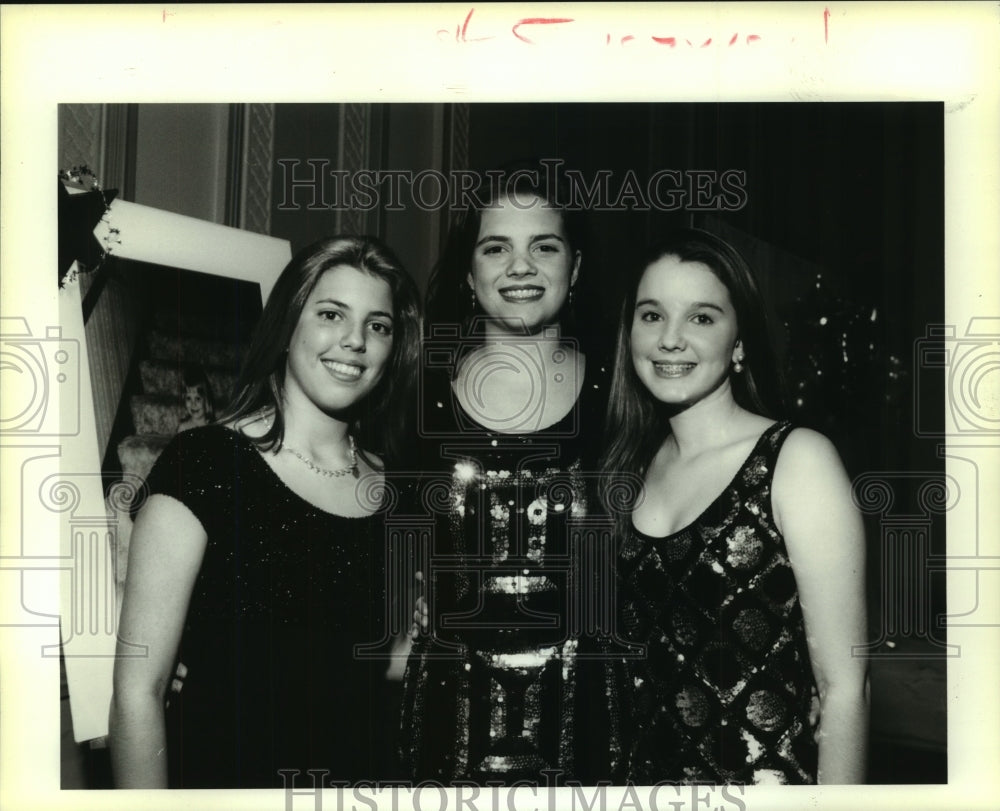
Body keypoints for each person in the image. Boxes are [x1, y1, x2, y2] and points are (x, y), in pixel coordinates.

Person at [109, 236, 422, 788]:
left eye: (379, 325)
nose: (354, 341)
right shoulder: (203, 465)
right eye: (331, 314)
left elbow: (382, 669)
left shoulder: (396, 490)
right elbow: (139, 692)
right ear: (287, 324)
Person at [601, 228, 869, 785]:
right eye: (652, 315)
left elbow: (845, 687)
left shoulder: (795, 460)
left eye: (701, 317)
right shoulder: (622, 473)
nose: (670, 339)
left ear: (739, 341)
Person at [399, 163, 618, 785]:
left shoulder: (623, 394)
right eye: (496, 247)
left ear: (574, 269)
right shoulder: (418, 394)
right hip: (447, 724)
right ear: (470, 274)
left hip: (592, 724)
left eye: (543, 246)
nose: (520, 267)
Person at [175, 365, 215, 433]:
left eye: (198, 399)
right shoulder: (183, 428)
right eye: (188, 398)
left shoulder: (213, 427)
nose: (193, 404)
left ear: (206, 400)